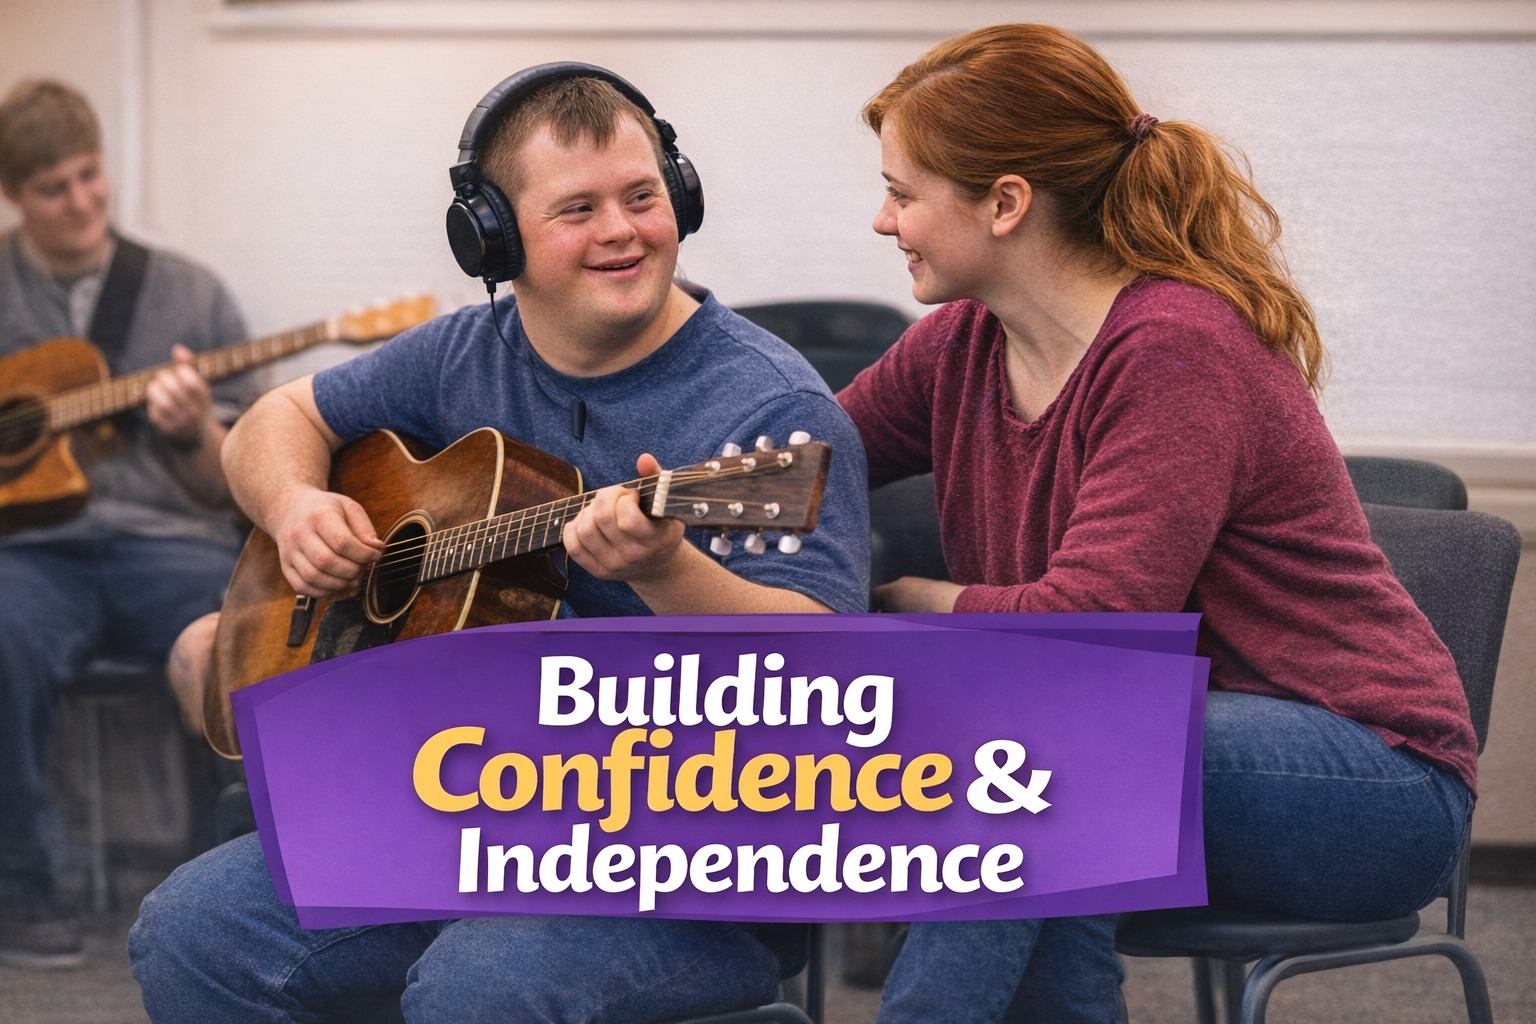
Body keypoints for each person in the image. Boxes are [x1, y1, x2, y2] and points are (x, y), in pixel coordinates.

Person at [128, 66, 870, 1021]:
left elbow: (830, 676)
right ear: (493, 236)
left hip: (683, 859)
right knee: (191, 932)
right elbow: (275, 416)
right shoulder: (465, 353)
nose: (622, 230)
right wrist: (294, 507)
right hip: (451, 808)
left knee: (479, 988)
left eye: (643, 197)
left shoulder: (769, 412)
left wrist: (668, 569)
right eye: (577, 209)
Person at [835, 24, 1477, 1023]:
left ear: (1006, 203)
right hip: (1127, 755)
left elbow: (1096, 622)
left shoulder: (1176, 349)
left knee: (1034, 759)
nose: (884, 221)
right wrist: (643, 490)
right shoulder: (958, 345)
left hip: (1369, 779)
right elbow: (809, 467)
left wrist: (910, 601)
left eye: (906, 193)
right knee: (1054, 822)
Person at [0, 79, 248, 968]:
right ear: (13, 196)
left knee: (244, 634)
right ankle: (23, 889)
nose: (80, 202)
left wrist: (193, 434)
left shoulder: (189, 294)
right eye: (52, 188)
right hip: (29, 555)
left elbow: (239, 489)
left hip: (169, 543)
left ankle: (238, 886)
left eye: (89, 176)